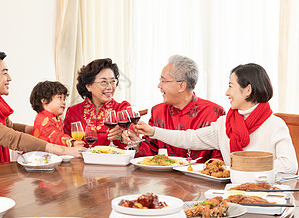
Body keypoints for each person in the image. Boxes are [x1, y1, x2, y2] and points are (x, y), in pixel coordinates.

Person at [129, 63, 298, 174]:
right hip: (232, 191)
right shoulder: (225, 124)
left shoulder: (275, 125)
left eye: (231, 86)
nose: (226, 93)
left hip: (266, 194)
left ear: (247, 90)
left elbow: (290, 166)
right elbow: (190, 137)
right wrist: (154, 132)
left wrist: (240, 167)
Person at [0, 51, 84, 163]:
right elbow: (11, 138)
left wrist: (35, 128)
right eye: (4, 72)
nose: (9, 78)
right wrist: (63, 150)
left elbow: (9, 127)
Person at [136, 55, 226, 163]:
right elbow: (147, 154)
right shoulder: (157, 111)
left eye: (163, 81)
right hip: (163, 179)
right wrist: (135, 141)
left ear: (181, 86)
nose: (159, 86)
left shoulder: (214, 113)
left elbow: (219, 163)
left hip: (199, 178)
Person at [63, 58, 131, 148]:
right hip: (82, 161)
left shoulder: (123, 109)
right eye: (104, 82)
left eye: (113, 81)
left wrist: (124, 135)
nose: (110, 87)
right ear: (88, 86)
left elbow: (133, 139)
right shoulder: (73, 112)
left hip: (114, 161)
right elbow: (65, 142)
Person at [29, 81, 84, 147]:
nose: (64, 102)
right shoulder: (43, 118)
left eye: (64, 99)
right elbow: (53, 136)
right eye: (60, 98)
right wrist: (71, 142)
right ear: (44, 101)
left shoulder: (56, 118)